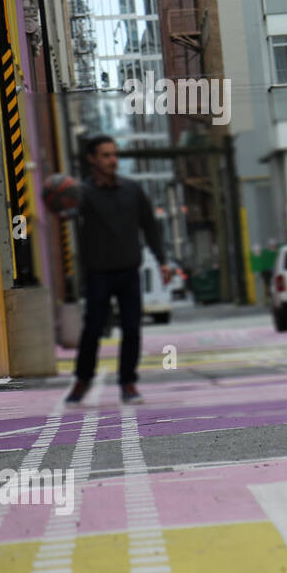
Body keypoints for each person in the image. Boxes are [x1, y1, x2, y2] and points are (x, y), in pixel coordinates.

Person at [65, 135, 171, 406]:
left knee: (132, 329)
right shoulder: (83, 193)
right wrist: (60, 206)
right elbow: (67, 215)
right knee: (92, 330)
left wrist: (162, 261)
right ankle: (82, 380)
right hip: (99, 273)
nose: (113, 160)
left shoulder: (133, 190)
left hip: (128, 271)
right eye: (105, 155)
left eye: (114, 154)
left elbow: (150, 227)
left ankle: (128, 383)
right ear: (92, 159)